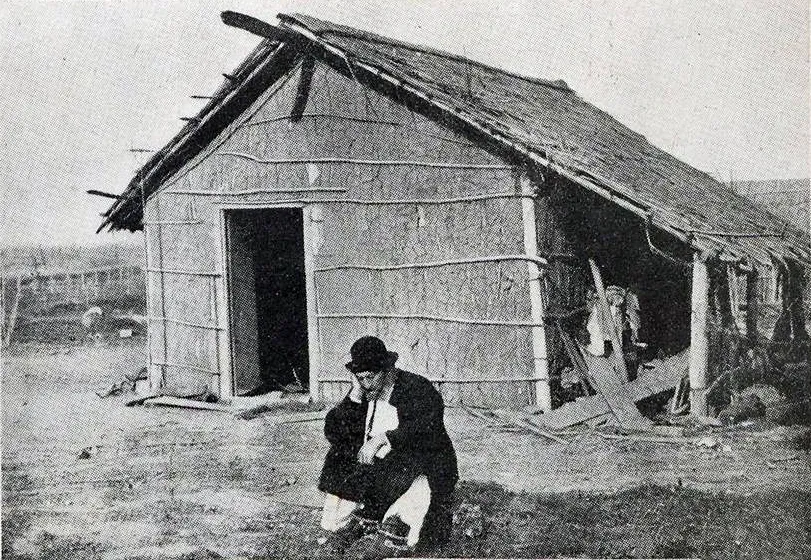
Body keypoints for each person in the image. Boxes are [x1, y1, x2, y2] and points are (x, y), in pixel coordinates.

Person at [314, 336, 458, 559]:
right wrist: (354, 396)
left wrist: (384, 438)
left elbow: (428, 428)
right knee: (338, 455)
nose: (366, 384)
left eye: (370, 377)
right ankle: (355, 520)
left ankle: (395, 525)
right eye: (360, 378)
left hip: (421, 467)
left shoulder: (416, 388)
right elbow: (334, 432)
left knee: (404, 467)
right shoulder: (365, 391)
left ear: (387, 369)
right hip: (383, 470)